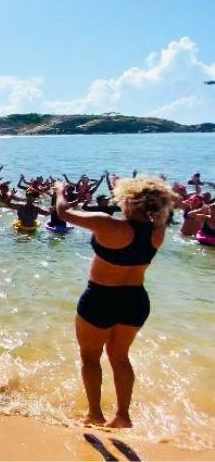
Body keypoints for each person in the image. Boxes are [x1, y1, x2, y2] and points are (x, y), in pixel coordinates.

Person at [55, 176, 175, 428]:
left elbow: (63, 213)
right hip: (135, 300)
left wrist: (60, 191)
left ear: (128, 200)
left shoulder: (108, 224)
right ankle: (122, 416)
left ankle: (94, 414)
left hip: (100, 297)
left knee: (90, 357)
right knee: (120, 357)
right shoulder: (158, 230)